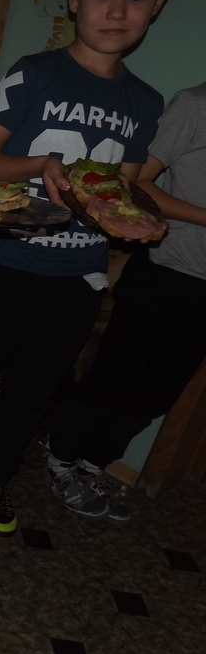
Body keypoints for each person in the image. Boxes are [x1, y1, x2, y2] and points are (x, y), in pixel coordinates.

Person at [0, 0, 171, 538]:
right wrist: (41, 164)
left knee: (33, 393)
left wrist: (126, 219)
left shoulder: (145, 102)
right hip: (5, 265)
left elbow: (123, 191)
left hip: (77, 279)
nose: (117, 11)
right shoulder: (35, 71)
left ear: (157, 4)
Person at [46, 80, 206, 521]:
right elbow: (137, 183)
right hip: (168, 272)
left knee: (156, 396)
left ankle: (94, 465)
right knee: (112, 381)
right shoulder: (196, 104)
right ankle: (60, 461)